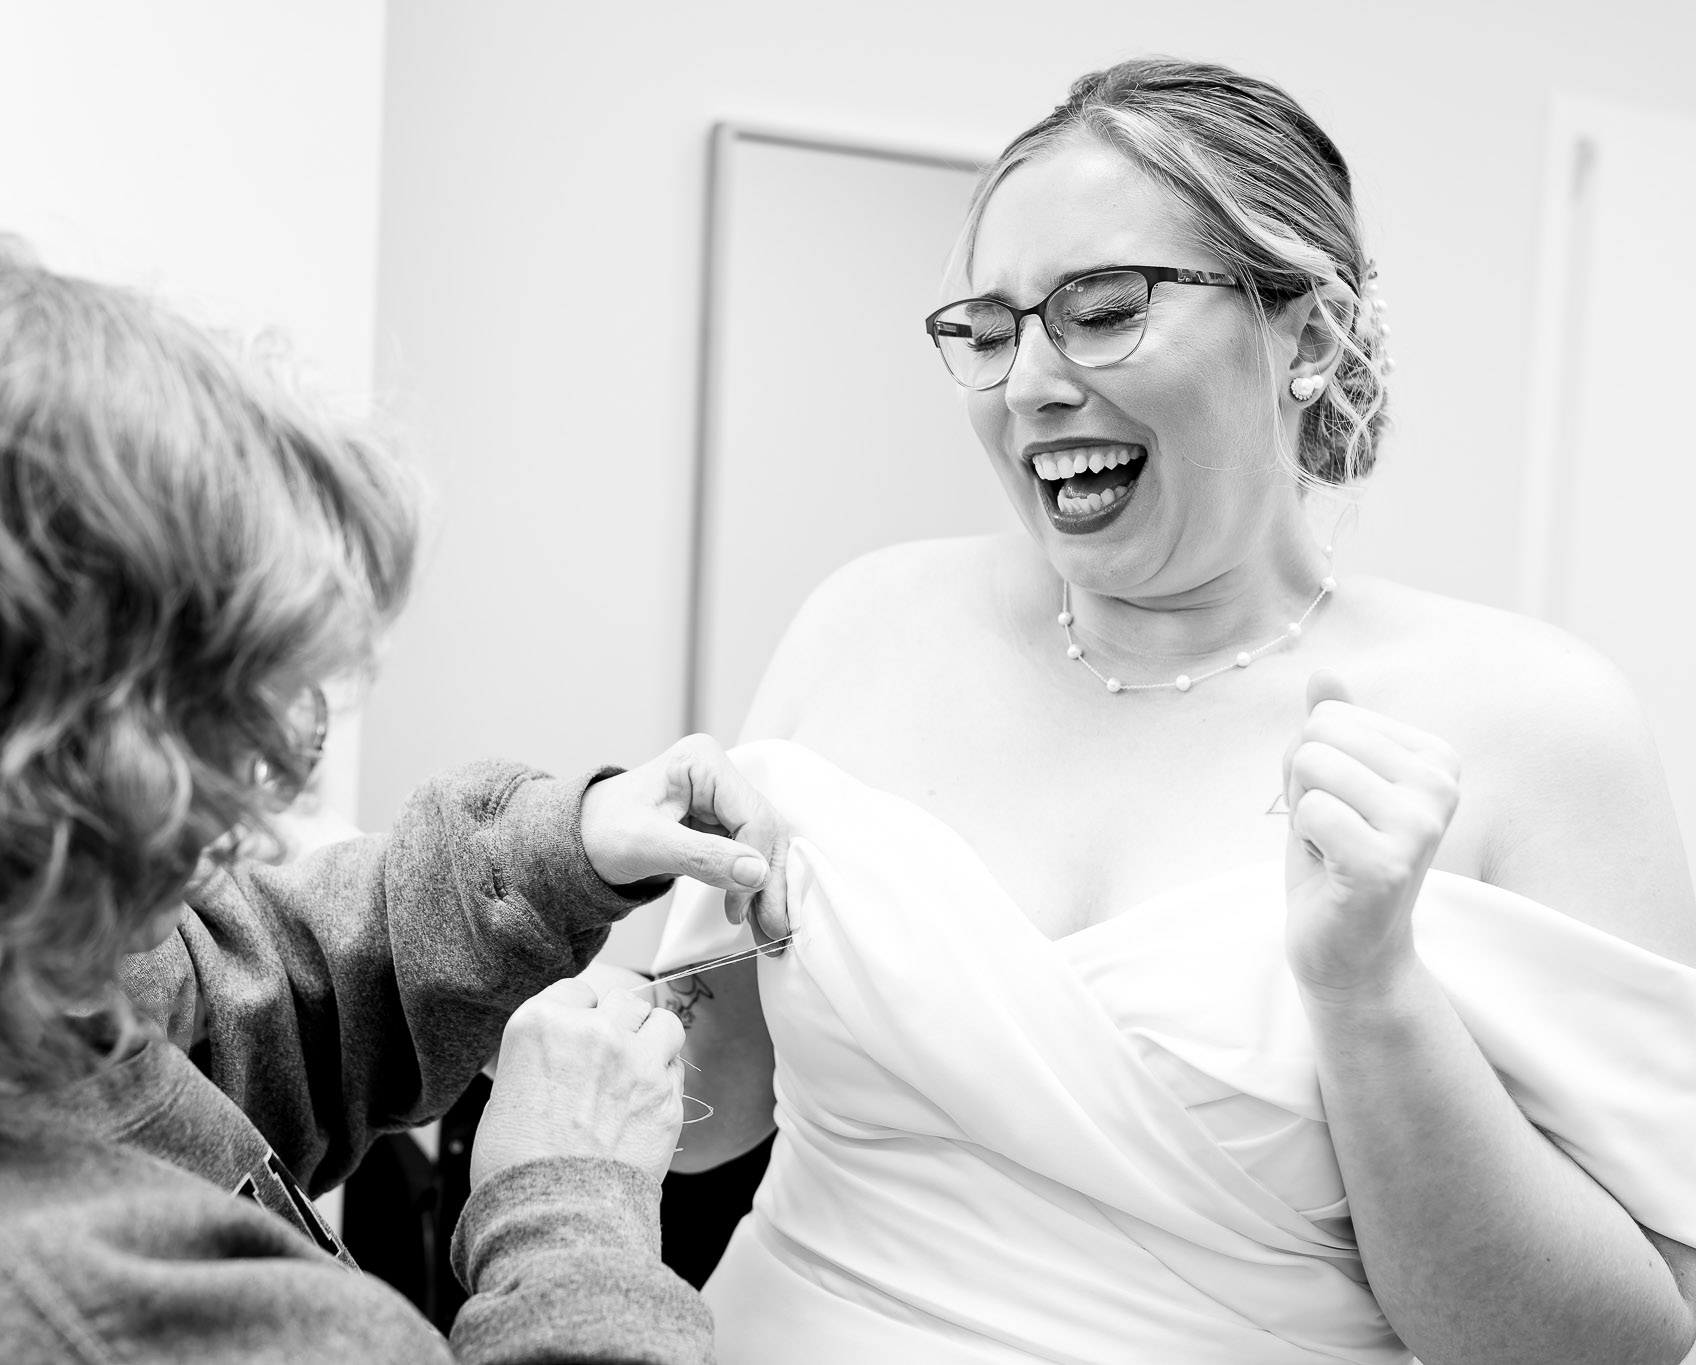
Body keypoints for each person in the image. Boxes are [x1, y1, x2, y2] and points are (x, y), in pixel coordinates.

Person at [655, 59, 1696, 1365]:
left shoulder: (1535, 722)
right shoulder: (862, 618)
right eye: (991, 328)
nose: (1028, 380)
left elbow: (1615, 1345)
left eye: (1101, 311)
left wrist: (1370, 995)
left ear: (1305, 339)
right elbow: (708, 1118)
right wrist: (623, 924)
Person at [0, 231, 792, 1364]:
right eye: (228, 721)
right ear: (42, 748)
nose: (269, 793)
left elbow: (209, 1016)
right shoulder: (96, 1315)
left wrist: (552, 856)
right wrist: (567, 1208)